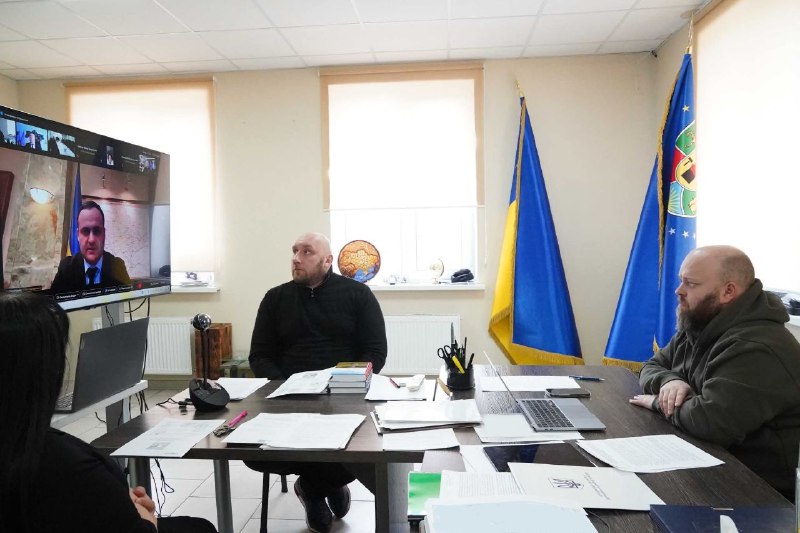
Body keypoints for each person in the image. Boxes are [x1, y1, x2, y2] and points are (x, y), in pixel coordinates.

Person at [0, 291, 217, 533]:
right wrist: (145, 518)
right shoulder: (67, 466)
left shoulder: (46, 456)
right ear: (46, 372)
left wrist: (115, 498)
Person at [629, 245, 800, 499]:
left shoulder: (758, 346)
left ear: (728, 291)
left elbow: (710, 421)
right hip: (708, 461)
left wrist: (657, 402)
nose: (679, 291)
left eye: (691, 283)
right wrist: (670, 381)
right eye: (681, 281)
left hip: (761, 492)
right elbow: (651, 366)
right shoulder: (701, 322)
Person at [247, 231, 387, 533]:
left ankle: (312, 488)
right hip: (288, 397)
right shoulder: (275, 298)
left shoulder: (358, 295)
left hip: (345, 396)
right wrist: (286, 386)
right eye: (294, 251)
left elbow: (375, 352)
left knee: (365, 447)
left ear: (327, 260)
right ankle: (327, 483)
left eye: (307, 252)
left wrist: (349, 382)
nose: (296, 258)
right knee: (255, 453)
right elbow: (259, 355)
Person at [50, 200, 130, 293]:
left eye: (97, 231)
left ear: (104, 234)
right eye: (85, 231)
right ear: (78, 235)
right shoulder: (66, 269)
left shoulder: (118, 267)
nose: (91, 240)